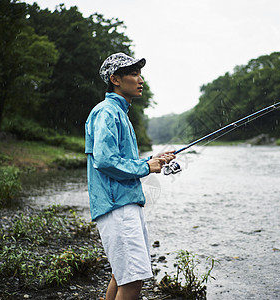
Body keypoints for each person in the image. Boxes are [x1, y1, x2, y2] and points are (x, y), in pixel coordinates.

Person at [85, 52, 175, 300]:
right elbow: (104, 160)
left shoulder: (118, 112)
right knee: (133, 279)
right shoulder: (107, 112)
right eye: (134, 74)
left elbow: (117, 160)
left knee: (122, 275)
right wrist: (146, 168)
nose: (140, 79)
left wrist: (152, 160)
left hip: (122, 205)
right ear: (115, 79)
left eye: (140, 74)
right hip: (118, 207)